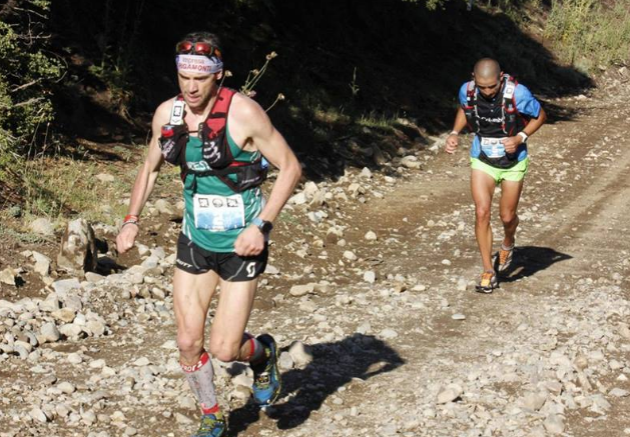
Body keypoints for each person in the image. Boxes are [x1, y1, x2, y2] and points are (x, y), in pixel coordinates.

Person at [115, 31, 302, 436]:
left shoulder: (245, 113)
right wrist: (131, 219)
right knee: (187, 342)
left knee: (224, 348)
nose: (191, 86)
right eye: (184, 77)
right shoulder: (169, 114)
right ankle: (212, 414)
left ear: (217, 76)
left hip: (241, 247)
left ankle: (263, 354)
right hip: (196, 242)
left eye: (200, 78)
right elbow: (148, 168)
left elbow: (290, 168)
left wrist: (262, 226)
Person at [445, 58, 546, 293]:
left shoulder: (518, 93)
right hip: (482, 159)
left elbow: (540, 116)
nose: (488, 91)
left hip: (513, 162)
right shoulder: (467, 90)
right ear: (474, 78)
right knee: (481, 212)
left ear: (500, 78)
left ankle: (508, 242)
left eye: (492, 86)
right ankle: (488, 270)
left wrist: (520, 137)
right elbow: (463, 108)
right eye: (482, 87)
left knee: (507, 216)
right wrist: (454, 132)